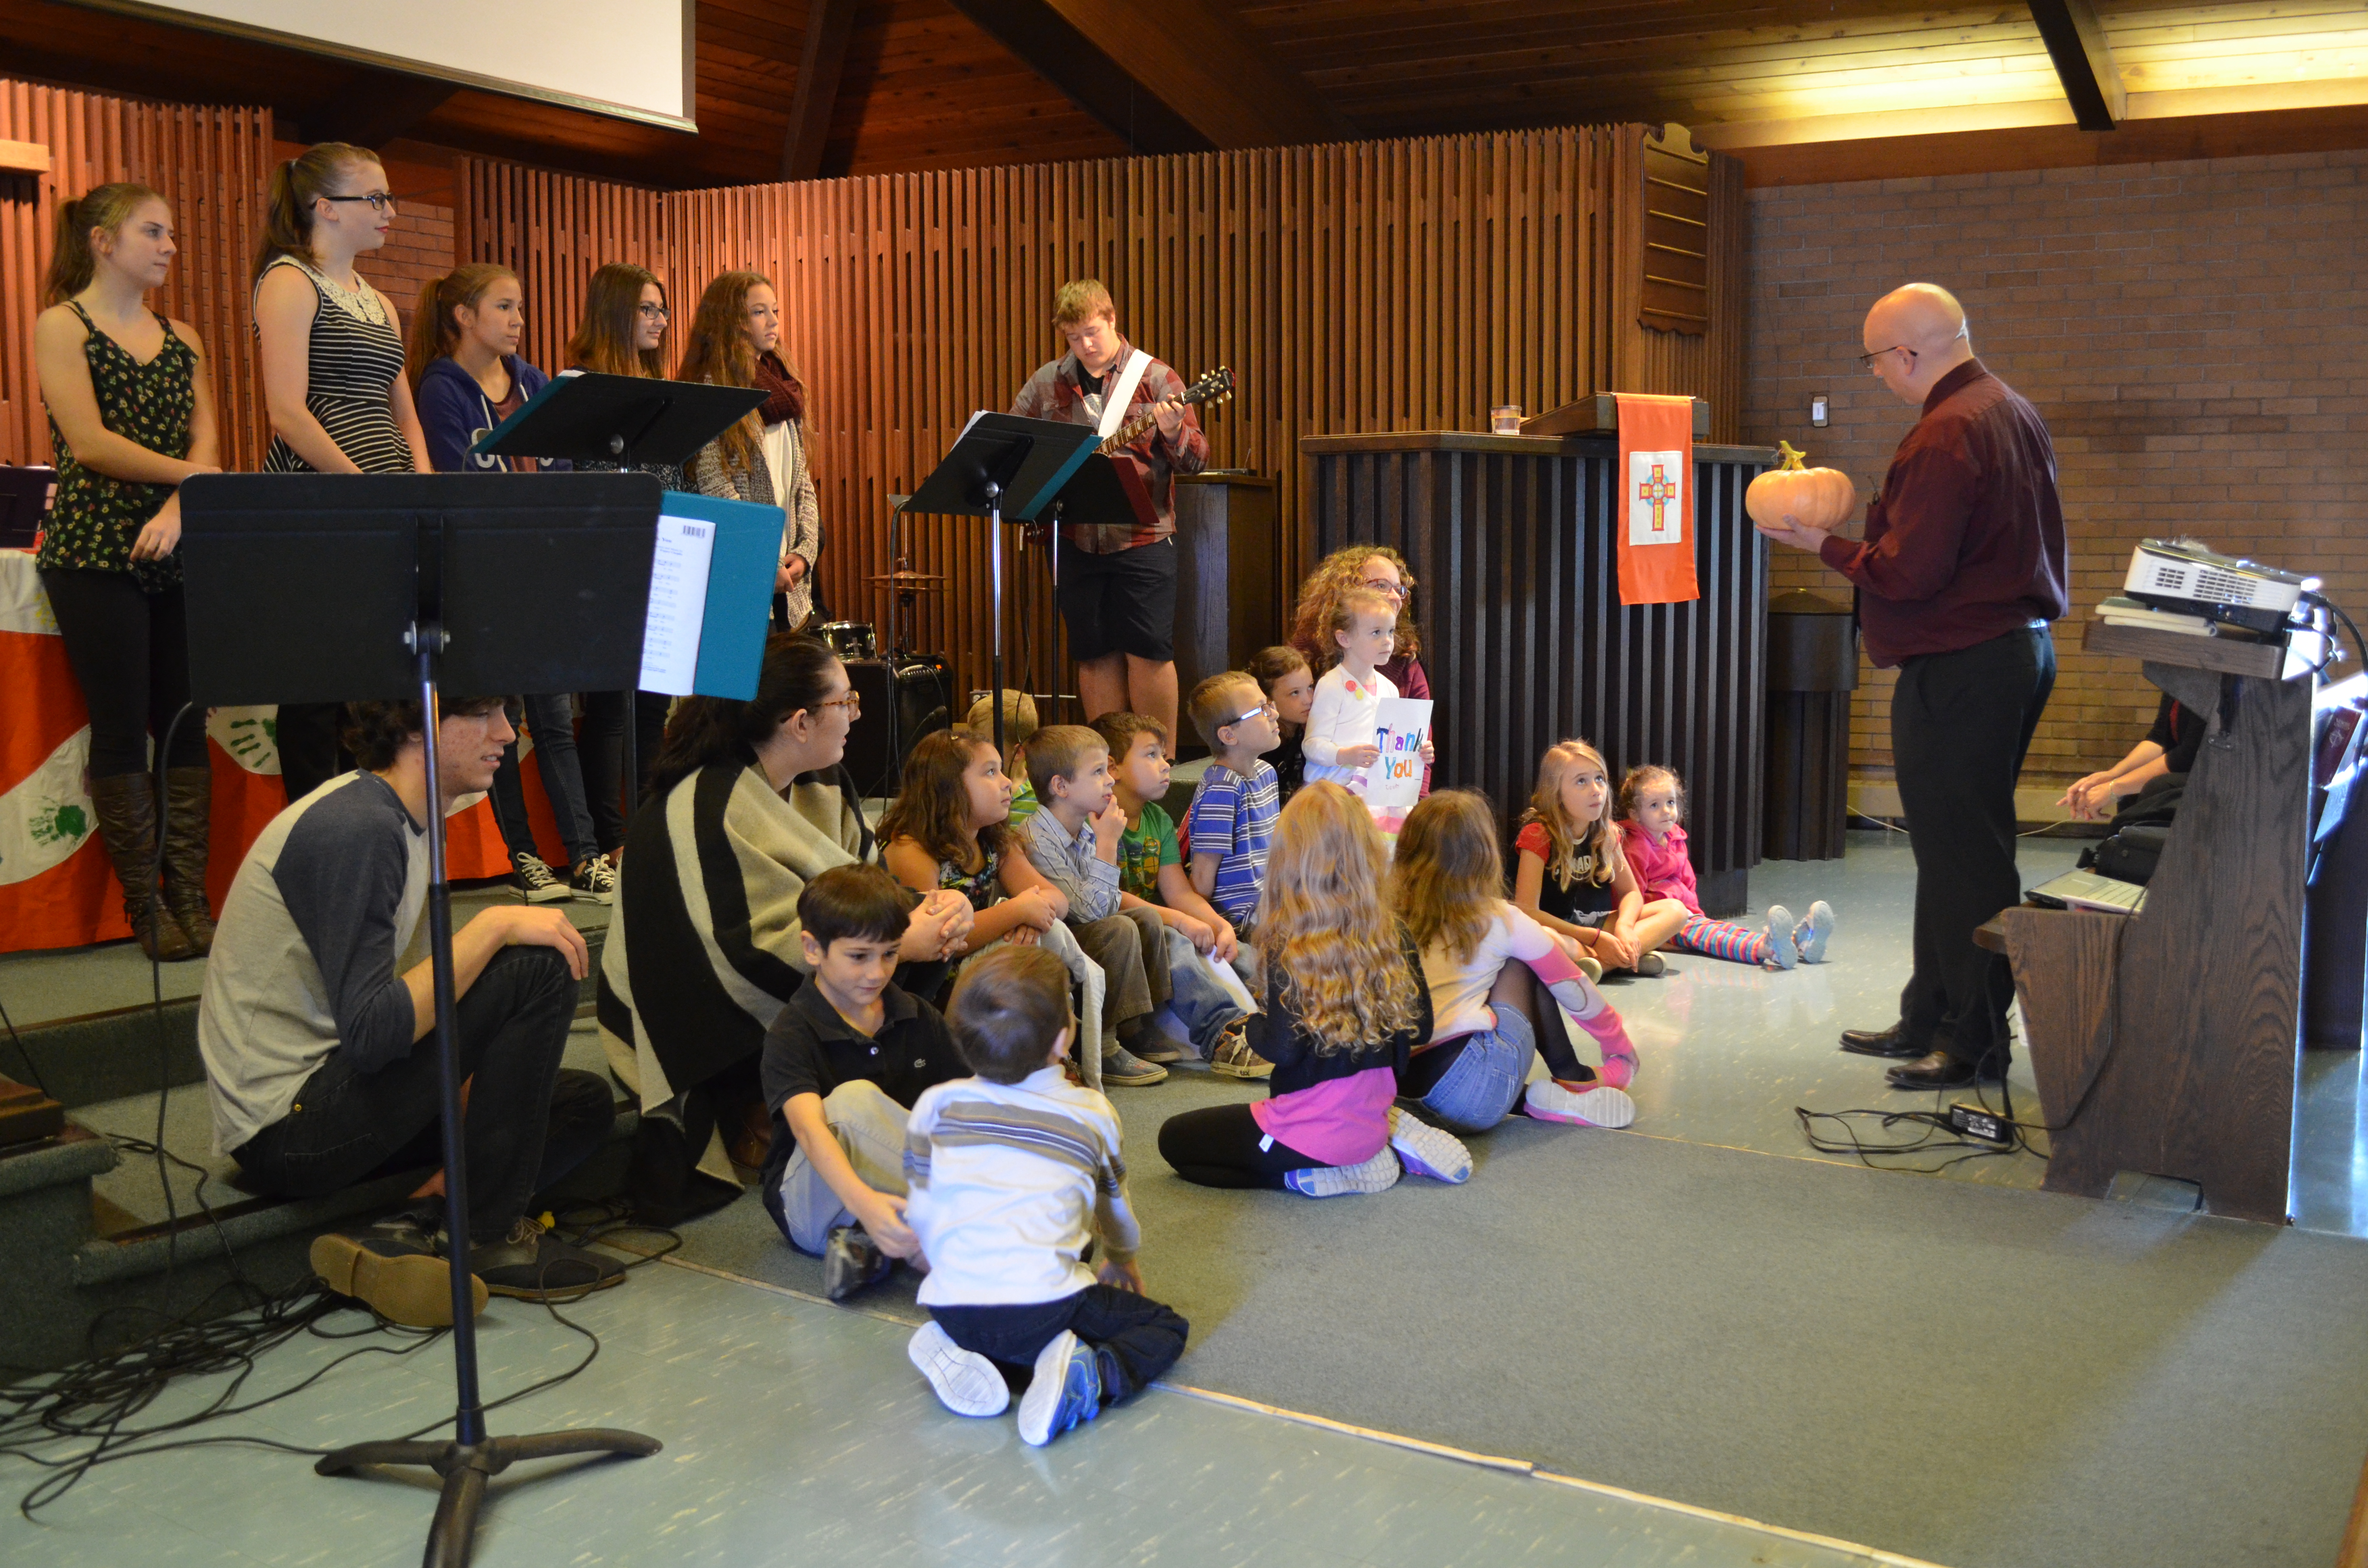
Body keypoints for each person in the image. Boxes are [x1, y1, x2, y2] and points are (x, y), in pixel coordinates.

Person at [197, 697, 625, 1326]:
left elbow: (427, 1003)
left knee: (580, 1104)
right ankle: (482, 1236)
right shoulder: (358, 827)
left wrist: (466, 1092)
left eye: (505, 713)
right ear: (415, 723)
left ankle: (410, 1229)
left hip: (341, 1086)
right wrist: (495, 924)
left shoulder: (407, 816)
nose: (507, 732)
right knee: (536, 963)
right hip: (287, 1128)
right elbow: (375, 1034)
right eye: (482, 713)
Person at [1752, 282, 2066, 1090]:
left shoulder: (1944, 431)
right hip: (2012, 652)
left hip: (1964, 662)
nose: (1875, 376)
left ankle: (1974, 1041)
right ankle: (1927, 1012)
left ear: (1906, 353)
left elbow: (1906, 572)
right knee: (1949, 846)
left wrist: (1818, 541)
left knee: (1966, 859)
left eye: (1873, 361)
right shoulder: (2009, 409)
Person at [597, 635, 972, 1222]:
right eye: (845, 702)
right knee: (892, 962)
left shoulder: (822, 781)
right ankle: (757, 1104)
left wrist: (942, 909)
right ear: (800, 722)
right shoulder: (698, 803)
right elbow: (734, 958)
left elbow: (870, 891)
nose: (857, 714)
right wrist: (898, 940)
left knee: (920, 947)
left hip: (805, 961)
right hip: (697, 1017)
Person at [34, 183, 222, 960]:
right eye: (154, 230)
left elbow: (207, 446)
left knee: (184, 720)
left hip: (178, 541)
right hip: (92, 545)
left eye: (173, 231)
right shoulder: (61, 324)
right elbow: (89, 443)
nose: (170, 244)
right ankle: (147, 908)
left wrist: (183, 505)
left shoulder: (184, 335)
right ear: (104, 241)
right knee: (121, 726)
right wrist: (190, 482)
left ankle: (190, 894)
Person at [903, 945, 1190, 1446]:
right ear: (1063, 1039)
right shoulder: (1091, 1113)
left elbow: (922, 1204)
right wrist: (1122, 1259)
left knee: (1002, 1314)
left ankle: (957, 1349)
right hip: (1043, 1309)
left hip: (950, 1303)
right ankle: (1089, 1378)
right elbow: (1114, 1208)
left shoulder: (934, 1105)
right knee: (1164, 1328)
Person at [406, 263, 612, 907]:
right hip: (485, 575)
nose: (519, 320)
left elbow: (565, 471)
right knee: (502, 720)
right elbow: (459, 480)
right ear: (464, 317)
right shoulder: (440, 389)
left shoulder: (536, 383)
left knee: (553, 719)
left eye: (520, 307)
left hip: (542, 572)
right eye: (504, 307)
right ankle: (521, 856)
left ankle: (584, 856)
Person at [1158, 784, 1469, 1197]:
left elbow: (1282, 1049)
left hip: (1302, 1131)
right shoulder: (1393, 932)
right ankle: (1377, 1143)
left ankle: (1299, 1176)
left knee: (1175, 1141)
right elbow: (1421, 1030)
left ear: (1290, 857)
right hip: (1370, 1119)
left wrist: (1249, 1026)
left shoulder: (1293, 941)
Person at [252, 141, 430, 805]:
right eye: (375, 198)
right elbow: (288, 413)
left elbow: (404, 412)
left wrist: (421, 482)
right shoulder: (288, 280)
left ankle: (373, 824)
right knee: (317, 686)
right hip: (319, 501)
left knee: (380, 686)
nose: (390, 211)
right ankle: (314, 837)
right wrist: (364, 491)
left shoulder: (380, 301)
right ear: (325, 207)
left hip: (383, 500)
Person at [758, 864, 970, 1299]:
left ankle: (884, 1248)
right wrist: (864, 1204)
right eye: (859, 957)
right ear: (813, 949)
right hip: (818, 1203)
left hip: (900, 1191)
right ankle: (976, 1227)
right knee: (851, 1105)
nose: (876, 973)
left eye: (890, 954)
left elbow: (964, 1108)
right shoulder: (791, 1032)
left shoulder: (915, 1013)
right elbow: (809, 1132)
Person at [1010, 279, 1206, 740]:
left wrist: (1175, 430)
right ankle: (1109, 761)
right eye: (1074, 338)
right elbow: (1017, 444)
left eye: (1093, 332)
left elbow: (1196, 460)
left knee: (1148, 651)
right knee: (1093, 651)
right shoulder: (1046, 382)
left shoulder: (1156, 377)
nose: (1086, 345)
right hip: (1074, 536)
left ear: (1113, 319)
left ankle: (1161, 761)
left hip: (1144, 536)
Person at [1389, 791, 1641, 1130]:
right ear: (1483, 854)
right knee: (1521, 962)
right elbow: (1574, 989)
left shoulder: (1383, 917)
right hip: (1476, 1094)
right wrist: (1619, 1046)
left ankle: (1529, 1100)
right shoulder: (1501, 918)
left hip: (1396, 1093)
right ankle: (1573, 1076)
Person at [567, 262, 683, 854]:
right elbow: (583, 481)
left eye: (662, 309)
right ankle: (610, 837)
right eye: (647, 309)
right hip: (609, 567)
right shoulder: (583, 388)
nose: (661, 320)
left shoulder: (658, 391)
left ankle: (646, 825)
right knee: (611, 709)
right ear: (615, 312)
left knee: (651, 710)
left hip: (663, 564)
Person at [1014, 724, 1190, 1087]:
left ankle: (1135, 1026)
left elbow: (1108, 901)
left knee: (1143, 918)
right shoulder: (1037, 838)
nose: (1111, 780)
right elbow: (1089, 914)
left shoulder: (1088, 827)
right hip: (1053, 944)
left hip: (1086, 926)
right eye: (1098, 772)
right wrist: (1109, 845)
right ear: (1061, 787)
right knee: (1120, 929)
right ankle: (1104, 1044)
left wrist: (1103, 841)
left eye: (1108, 770)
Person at [1091, 711, 1263, 1078]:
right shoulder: (1096, 820)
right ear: (1113, 767)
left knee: (1240, 951)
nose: (1166, 764)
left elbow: (1179, 891)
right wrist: (1182, 921)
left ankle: (1293, 1010)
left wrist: (1216, 924)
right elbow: (1110, 897)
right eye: (1151, 755)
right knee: (1176, 942)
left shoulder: (1157, 819)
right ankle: (1225, 1034)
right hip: (1123, 933)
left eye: (1165, 756)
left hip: (1158, 922)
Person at [1616, 764, 1831, 970]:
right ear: (1634, 813)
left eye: (1671, 803)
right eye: (1655, 805)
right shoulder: (1635, 849)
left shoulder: (1675, 838)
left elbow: (1688, 881)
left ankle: (1797, 941)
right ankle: (1765, 950)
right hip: (1665, 921)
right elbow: (1633, 897)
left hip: (1688, 915)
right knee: (1715, 939)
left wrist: (1695, 913)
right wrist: (1659, 936)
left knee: (1725, 929)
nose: (1666, 811)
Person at [879, 729, 1071, 954]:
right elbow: (939, 937)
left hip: (976, 962)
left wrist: (1031, 916)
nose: (1007, 781)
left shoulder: (994, 841)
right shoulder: (912, 851)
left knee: (1050, 931)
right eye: (991, 772)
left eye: (1001, 770)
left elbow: (1059, 900)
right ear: (949, 787)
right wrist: (1017, 912)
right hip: (936, 977)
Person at [1290, 545, 1433, 796]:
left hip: (1378, 795)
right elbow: (1305, 740)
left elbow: (1403, 743)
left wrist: (1417, 756)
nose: (1395, 597)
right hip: (1329, 794)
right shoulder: (1317, 668)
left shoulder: (1400, 668)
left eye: (1399, 589)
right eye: (1381, 585)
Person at [1513, 740, 1657, 980]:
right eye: (1581, 781)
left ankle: (1599, 963)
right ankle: (1624, 959)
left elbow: (1631, 892)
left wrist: (1625, 927)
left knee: (1674, 911)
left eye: (1599, 779)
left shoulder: (1606, 832)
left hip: (1577, 923)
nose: (1596, 790)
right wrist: (1595, 938)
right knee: (1543, 938)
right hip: (1549, 928)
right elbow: (1528, 912)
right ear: (1556, 792)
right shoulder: (1538, 834)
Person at [1302, 588, 1434, 826]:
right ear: (1345, 639)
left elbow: (1393, 744)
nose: (1387, 641)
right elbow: (1312, 745)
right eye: (1376, 633)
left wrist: (1417, 752)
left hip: (1376, 794)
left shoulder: (1389, 688)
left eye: (1391, 632)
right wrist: (1345, 754)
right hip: (1336, 795)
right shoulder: (1333, 685)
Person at [742, 273, 825, 631]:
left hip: (789, 578)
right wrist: (761, 560)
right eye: (759, 312)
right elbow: (715, 487)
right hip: (748, 573)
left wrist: (805, 554)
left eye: (774, 310)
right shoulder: (719, 390)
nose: (774, 321)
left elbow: (802, 484)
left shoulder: (781, 385)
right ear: (731, 321)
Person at [1182, 672, 1283, 936]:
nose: (1274, 714)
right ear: (1228, 735)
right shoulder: (1223, 787)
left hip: (1272, 908)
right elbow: (1203, 876)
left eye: (1268, 704)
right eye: (1261, 710)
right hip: (1241, 922)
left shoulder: (1266, 772)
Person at [2060, 692, 2200, 821]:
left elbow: (2188, 756)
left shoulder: (2210, 683)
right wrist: (2114, 775)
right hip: (2189, 765)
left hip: (2211, 775)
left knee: (2155, 786)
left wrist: (2113, 789)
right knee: (2131, 785)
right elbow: (2159, 739)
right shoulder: (2175, 679)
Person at [1245, 645, 1314, 806]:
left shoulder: (1305, 732)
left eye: (1310, 687)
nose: (1309, 699)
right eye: (1295, 693)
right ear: (1267, 699)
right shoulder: (1260, 749)